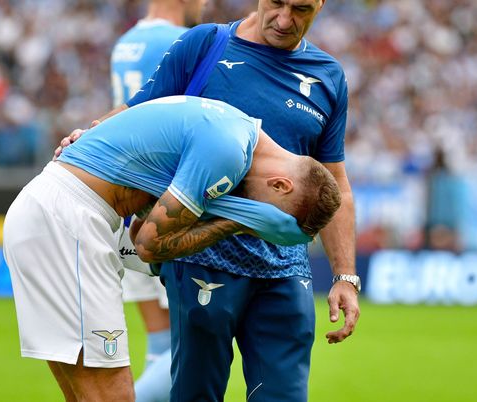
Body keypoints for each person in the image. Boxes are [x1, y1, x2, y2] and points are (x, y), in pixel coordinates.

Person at [55, 0, 361, 400]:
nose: (285, 19)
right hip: (201, 260)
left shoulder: (328, 76)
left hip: (284, 271)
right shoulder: (205, 44)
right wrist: (89, 135)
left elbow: (336, 183)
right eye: (277, 3)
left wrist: (345, 277)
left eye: (301, 8)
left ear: (321, 4)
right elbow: (139, 113)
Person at [3, 95, 341, 402]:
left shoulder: (233, 125)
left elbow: (138, 226)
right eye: (272, 219)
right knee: (114, 396)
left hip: (57, 214)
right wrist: (243, 221)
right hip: (70, 221)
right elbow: (148, 245)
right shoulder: (228, 152)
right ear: (281, 185)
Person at [110, 0, 206, 399]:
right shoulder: (182, 41)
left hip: (126, 202)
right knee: (190, 358)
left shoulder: (126, 41)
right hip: (164, 209)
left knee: (161, 347)